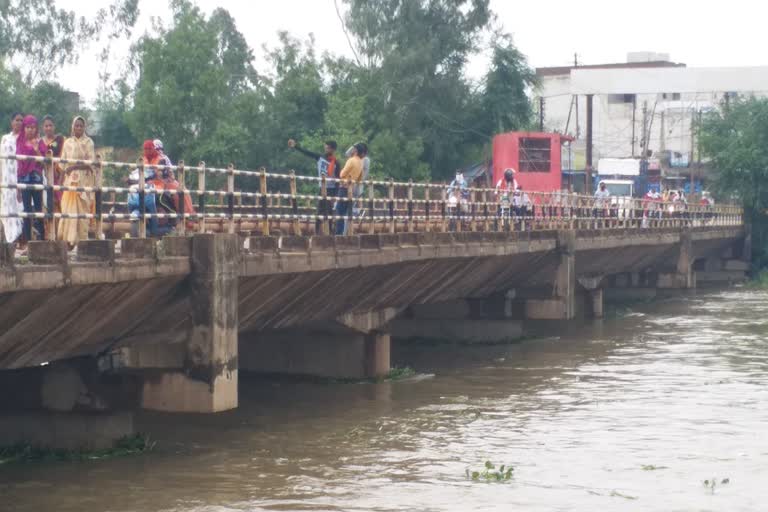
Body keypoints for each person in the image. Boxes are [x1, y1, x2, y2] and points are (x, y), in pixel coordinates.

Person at [288, 139, 340, 233]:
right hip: (322, 188)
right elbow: (307, 153)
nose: (326, 149)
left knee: (330, 212)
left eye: (328, 148)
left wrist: (335, 196)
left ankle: (330, 232)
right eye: (325, 147)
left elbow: (338, 180)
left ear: (332, 150)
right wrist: (296, 146)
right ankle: (317, 232)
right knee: (320, 211)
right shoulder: (320, 157)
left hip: (331, 189)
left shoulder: (336, 163)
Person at [57, 116, 95, 247]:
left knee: (82, 212)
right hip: (69, 182)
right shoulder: (67, 142)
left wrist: (75, 166)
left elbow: (91, 163)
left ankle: (82, 242)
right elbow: (62, 164)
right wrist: (60, 183)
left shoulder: (89, 142)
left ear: (84, 128)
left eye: (81, 126)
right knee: (68, 210)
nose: (78, 128)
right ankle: (68, 241)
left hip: (83, 181)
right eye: (76, 125)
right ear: (72, 127)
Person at [16, 115, 47, 242]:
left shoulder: (40, 142)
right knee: (27, 210)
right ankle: (28, 241)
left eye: (33, 127)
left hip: (36, 178)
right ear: (24, 128)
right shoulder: (20, 141)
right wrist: (18, 187)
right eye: (28, 127)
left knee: (39, 209)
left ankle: (41, 240)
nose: (30, 130)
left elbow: (45, 163)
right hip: (24, 179)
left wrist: (36, 150)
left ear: (36, 129)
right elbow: (18, 165)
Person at [0, 113, 24, 245]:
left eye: (21, 120)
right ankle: (9, 238)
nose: (19, 123)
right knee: (7, 206)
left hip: (20, 177)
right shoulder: (5, 138)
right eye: (16, 120)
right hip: (6, 178)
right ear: (11, 122)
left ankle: (21, 239)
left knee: (20, 206)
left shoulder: (25, 139)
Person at [335, 143, 364, 235]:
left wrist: (341, 172)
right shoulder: (361, 163)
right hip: (353, 189)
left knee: (340, 212)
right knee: (348, 213)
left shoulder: (351, 160)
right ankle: (346, 234)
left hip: (344, 187)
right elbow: (360, 178)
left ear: (355, 151)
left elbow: (342, 174)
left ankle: (338, 234)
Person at [41, 115, 65, 212]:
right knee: (47, 203)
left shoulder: (60, 139)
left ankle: (61, 226)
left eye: (50, 125)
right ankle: (48, 226)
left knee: (60, 202)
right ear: (43, 127)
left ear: (54, 126)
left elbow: (63, 155)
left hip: (58, 174)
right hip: (43, 175)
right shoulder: (40, 141)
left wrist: (56, 168)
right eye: (46, 126)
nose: (48, 128)